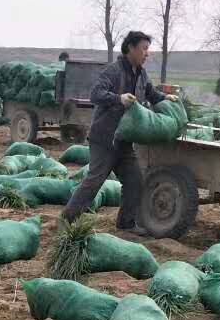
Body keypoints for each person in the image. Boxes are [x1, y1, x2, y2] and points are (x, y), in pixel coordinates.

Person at [59, 30, 165, 235]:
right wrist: (119, 98)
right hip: (105, 138)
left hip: (124, 141)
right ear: (131, 48)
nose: (147, 53)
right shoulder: (114, 71)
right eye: (144, 49)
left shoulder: (141, 74)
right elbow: (95, 94)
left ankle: (126, 223)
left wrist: (167, 99)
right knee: (95, 180)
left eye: (147, 49)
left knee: (135, 180)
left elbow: (151, 94)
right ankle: (67, 220)